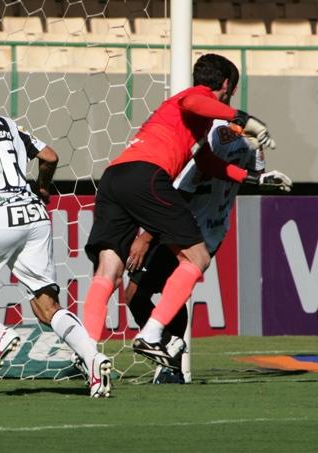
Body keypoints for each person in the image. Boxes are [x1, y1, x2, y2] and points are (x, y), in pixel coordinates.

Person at [81, 54, 279, 368]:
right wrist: (244, 118)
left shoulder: (192, 121)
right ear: (226, 85)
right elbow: (194, 103)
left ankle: (86, 352)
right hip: (146, 176)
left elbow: (207, 163)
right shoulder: (193, 98)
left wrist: (253, 177)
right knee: (196, 258)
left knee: (108, 269)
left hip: (114, 177)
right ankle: (153, 335)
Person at [0, 62, 112, 398]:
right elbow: (50, 156)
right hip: (33, 215)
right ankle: (93, 358)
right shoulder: (5, 123)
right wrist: (42, 189)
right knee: (45, 305)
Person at [124, 64, 292, 383]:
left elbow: (180, 187)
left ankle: (170, 353)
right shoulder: (252, 133)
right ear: (228, 85)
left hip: (180, 225)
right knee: (171, 294)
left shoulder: (204, 128)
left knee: (136, 294)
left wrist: (145, 235)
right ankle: (171, 358)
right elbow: (253, 173)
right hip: (213, 231)